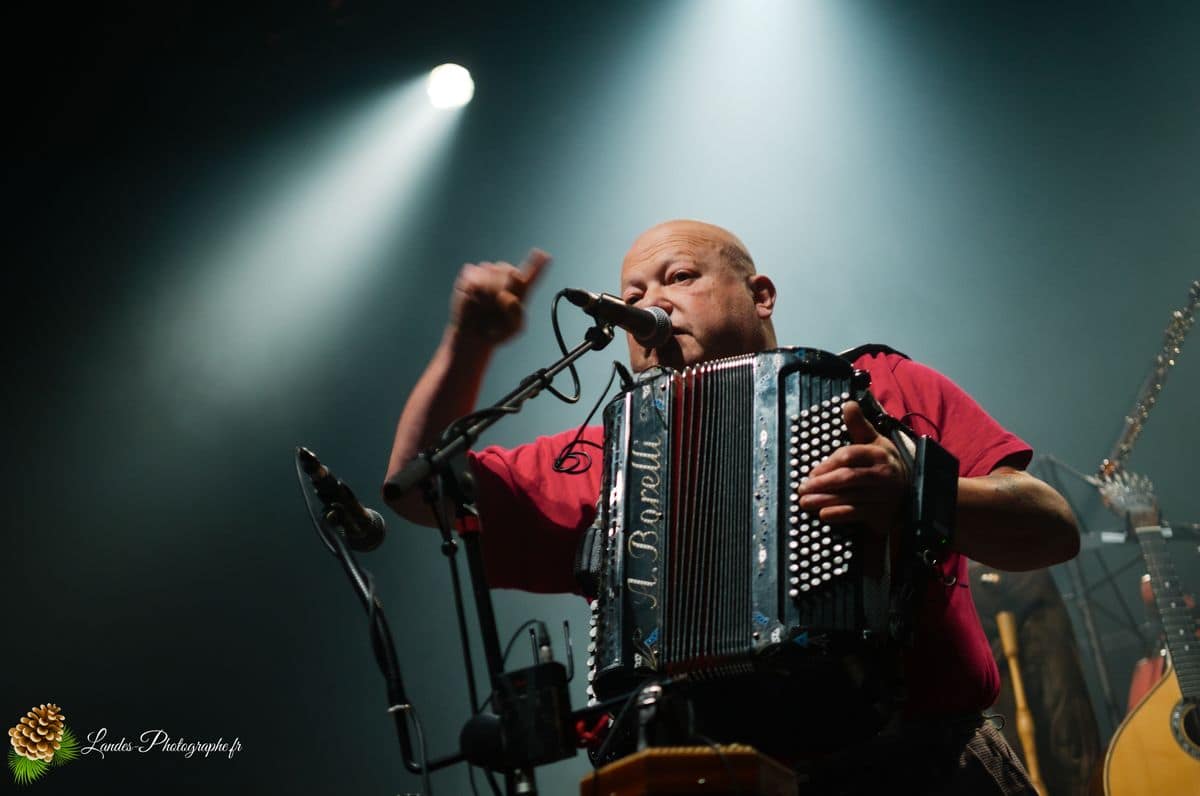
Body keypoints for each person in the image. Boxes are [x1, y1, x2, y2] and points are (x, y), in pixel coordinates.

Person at [384, 219, 1080, 794]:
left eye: (679, 277)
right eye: (634, 292)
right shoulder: (602, 456)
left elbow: (1051, 528)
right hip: (715, 781)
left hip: (924, 768)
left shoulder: (883, 386)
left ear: (761, 294)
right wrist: (468, 341)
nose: (651, 303)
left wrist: (913, 487)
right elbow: (422, 491)